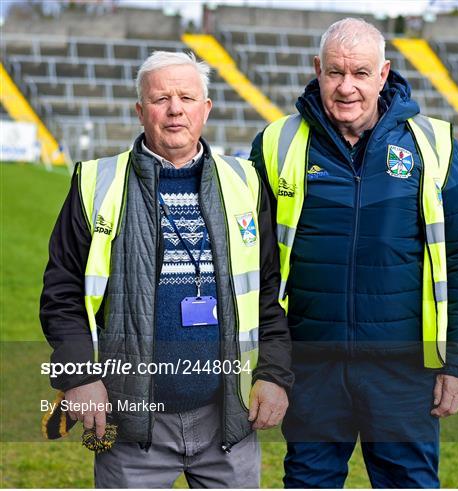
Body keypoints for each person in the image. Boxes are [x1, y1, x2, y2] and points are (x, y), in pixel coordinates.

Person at [250, 18, 458, 488]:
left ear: (384, 74)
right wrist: (270, 366)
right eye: (335, 72)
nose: (346, 87)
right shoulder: (277, 144)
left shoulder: (431, 144)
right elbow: (253, 264)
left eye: (360, 73)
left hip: (403, 372)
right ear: (317, 69)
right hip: (311, 367)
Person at [40, 50, 292, 488]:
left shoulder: (246, 182)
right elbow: (61, 292)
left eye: (186, 97)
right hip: (132, 424)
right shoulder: (96, 182)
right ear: (141, 111)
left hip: (228, 421)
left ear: (205, 109)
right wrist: (79, 377)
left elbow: (268, 292)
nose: (175, 109)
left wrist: (273, 375)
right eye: (160, 99)